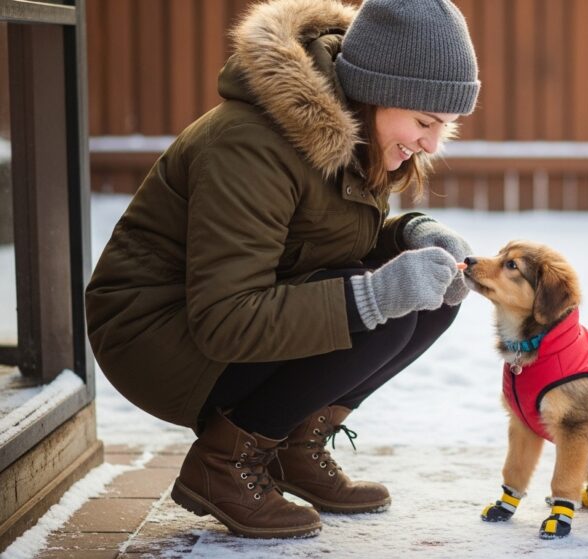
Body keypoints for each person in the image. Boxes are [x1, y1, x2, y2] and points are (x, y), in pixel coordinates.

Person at [85, 0, 480, 539]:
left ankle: (293, 444)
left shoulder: (356, 135)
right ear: (375, 92)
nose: (432, 143)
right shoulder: (251, 144)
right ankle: (223, 464)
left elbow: (326, 242)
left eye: (446, 126)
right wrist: (378, 294)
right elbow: (226, 318)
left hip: (229, 313)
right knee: (386, 310)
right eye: (424, 121)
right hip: (155, 335)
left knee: (428, 299)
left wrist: (413, 235)